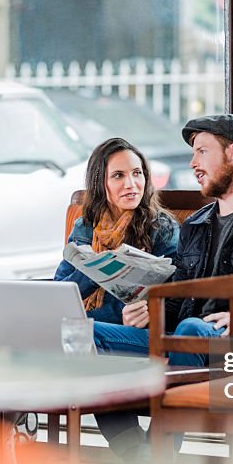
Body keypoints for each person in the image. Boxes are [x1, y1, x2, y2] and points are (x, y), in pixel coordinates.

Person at [91, 114, 233, 464]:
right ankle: (139, 457)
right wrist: (151, 309)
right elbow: (179, 300)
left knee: (191, 330)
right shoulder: (195, 225)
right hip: (184, 337)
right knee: (89, 333)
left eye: (202, 152)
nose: (193, 163)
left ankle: (159, 459)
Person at [54, 137, 179, 324]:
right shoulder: (85, 227)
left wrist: (83, 321)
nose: (131, 184)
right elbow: (60, 294)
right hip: (84, 322)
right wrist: (98, 269)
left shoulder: (161, 227)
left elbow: (172, 296)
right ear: (99, 183)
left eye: (137, 173)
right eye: (118, 175)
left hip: (128, 327)